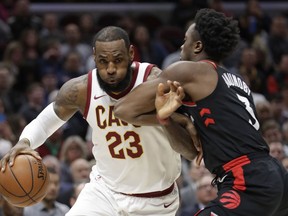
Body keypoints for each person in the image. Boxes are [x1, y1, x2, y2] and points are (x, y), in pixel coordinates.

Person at [114, 9, 288, 216]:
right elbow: (193, 153)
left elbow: (123, 109)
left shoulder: (190, 71)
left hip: (248, 179)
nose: (181, 45)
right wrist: (166, 119)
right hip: (271, 175)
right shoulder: (235, 82)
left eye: (185, 39)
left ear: (197, 46)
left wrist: (179, 117)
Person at [0, 26, 187, 215]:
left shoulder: (155, 81)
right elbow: (46, 120)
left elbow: (186, 131)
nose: (111, 69)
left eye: (118, 60)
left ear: (131, 54)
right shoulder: (81, 89)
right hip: (104, 192)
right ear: (94, 56)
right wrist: (25, 142)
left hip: (155, 199)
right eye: (103, 62)